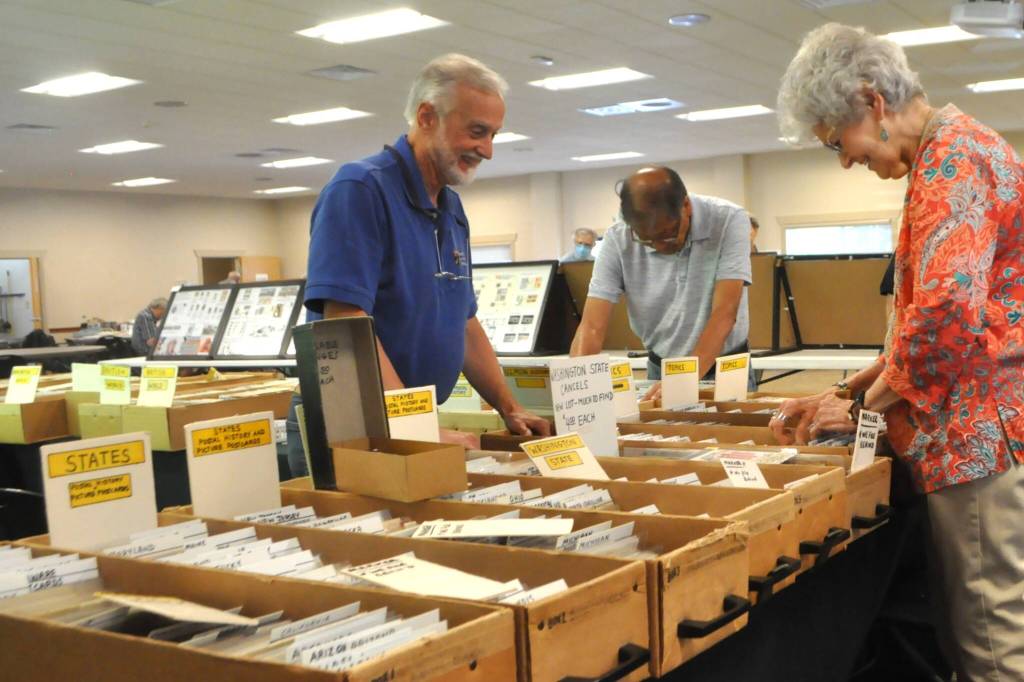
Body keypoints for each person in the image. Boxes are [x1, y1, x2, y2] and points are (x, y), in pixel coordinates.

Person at [774, 23, 1024, 681]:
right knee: (975, 636)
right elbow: (925, 324)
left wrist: (859, 411)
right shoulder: (951, 153)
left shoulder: (954, 162)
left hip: (979, 442)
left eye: (838, 141)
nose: (845, 161)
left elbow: (946, 320)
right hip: (977, 436)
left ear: (872, 103)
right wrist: (848, 394)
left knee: (993, 651)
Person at [302, 53, 550, 472]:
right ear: (427, 116)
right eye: (477, 131)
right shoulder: (360, 188)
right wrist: (413, 427)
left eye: (493, 135)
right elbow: (344, 321)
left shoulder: (450, 207)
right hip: (355, 427)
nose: (487, 150)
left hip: (407, 422)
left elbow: (464, 322)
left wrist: (509, 407)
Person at [570, 167, 753, 399]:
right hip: (661, 366)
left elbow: (725, 311)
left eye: (667, 234)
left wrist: (683, 379)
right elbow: (592, 326)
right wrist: (576, 388)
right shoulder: (618, 236)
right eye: (646, 240)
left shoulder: (728, 219)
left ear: (685, 206)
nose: (659, 246)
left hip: (725, 367)